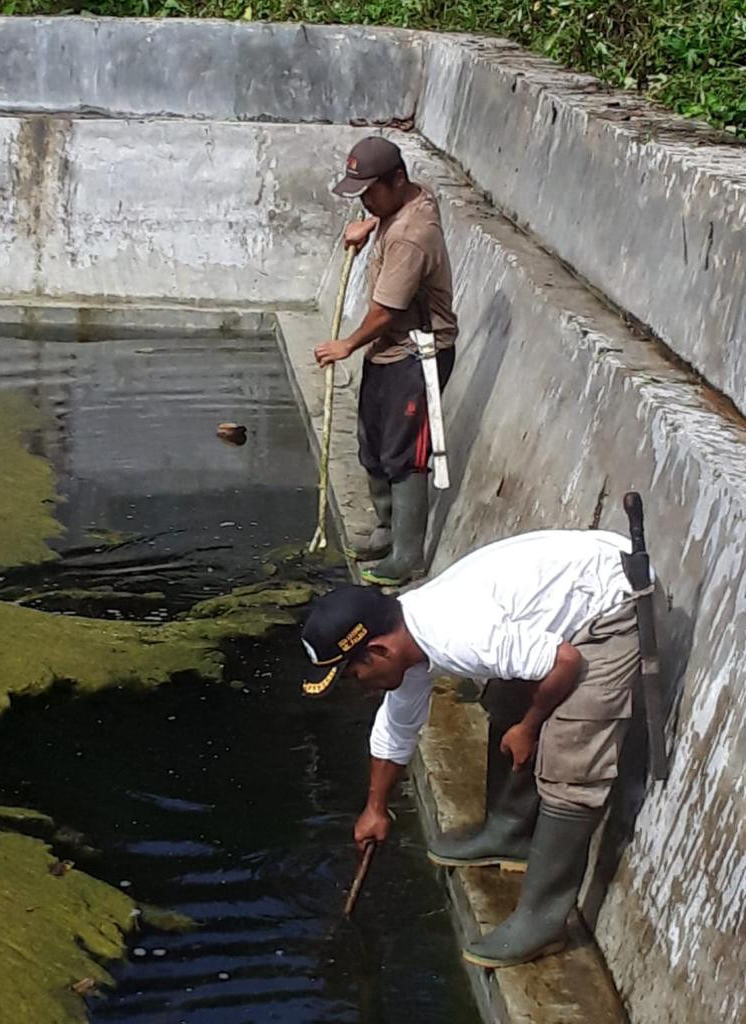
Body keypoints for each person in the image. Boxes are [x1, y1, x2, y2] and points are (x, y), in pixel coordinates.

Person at [299, 529, 642, 969]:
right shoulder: (411, 630)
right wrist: (375, 809)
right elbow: (396, 727)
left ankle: (543, 922)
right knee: (504, 698)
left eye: (352, 675)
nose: (356, 686)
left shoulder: (457, 634)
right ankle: (511, 832)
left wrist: (530, 728)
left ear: (380, 651)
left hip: (616, 604)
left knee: (570, 755)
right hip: (576, 590)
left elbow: (565, 661)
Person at [314, 136, 457, 587]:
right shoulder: (406, 198)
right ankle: (384, 530)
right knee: (371, 443)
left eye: (370, 193)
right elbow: (390, 210)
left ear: (396, 180)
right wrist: (370, 223)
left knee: (403, 454)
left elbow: (386, 311)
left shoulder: (413, 237)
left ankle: (407, 555)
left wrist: (347, 345)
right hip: (389, 349)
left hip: (417, 354)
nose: (366, 201)